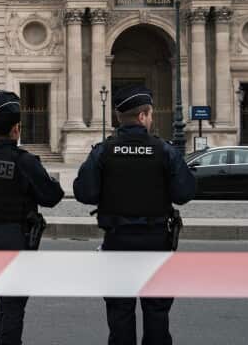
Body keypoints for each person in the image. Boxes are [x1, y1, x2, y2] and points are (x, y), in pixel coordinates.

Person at [73, 85, 196, 345]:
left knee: (120, 316)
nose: (151, 119)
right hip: (156, 242)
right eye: (150, 114)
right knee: (157, 315)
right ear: (142, 116)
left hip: (117, 242)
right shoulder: (164, 151)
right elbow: (184, 193)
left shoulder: (103, 151)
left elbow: (84, 193)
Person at [0, 90, 64, 345]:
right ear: (16, 128)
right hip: (16, 239)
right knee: (14, 303)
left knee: (5, 297)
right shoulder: (24, 162)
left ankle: (3, 337)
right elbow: (52, 196)